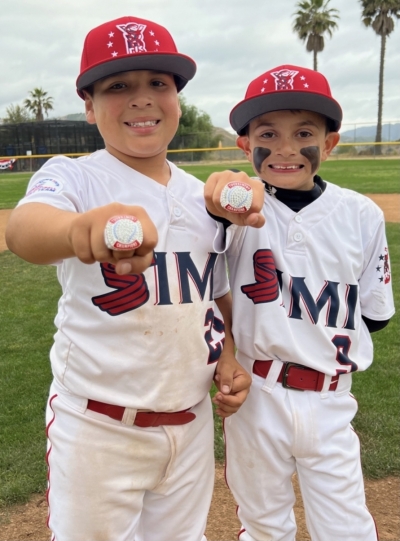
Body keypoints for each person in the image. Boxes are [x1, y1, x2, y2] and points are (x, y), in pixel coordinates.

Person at [5, 16, 251, 541]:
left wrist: (227, 353)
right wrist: (79, 230)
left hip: (190, 423)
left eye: (158, 83)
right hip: (99, 428)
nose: (142, 99)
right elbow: (24, 231)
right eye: (118, 86)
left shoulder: (202, 197)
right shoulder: (73, 175)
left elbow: (214, 293)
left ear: (177, 100)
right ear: (89, 107)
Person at [204, 64, 395, 541]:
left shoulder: (361, 215)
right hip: (257, 397)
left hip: (331, 400)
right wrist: (218, 207)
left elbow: (374, 316)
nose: (287, 148)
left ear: (329, 143)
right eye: (268, 133)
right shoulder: (232, 214)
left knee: (348, 529)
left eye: (304, 132)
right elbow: (203, 293)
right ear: (245, 145)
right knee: (265, 526)